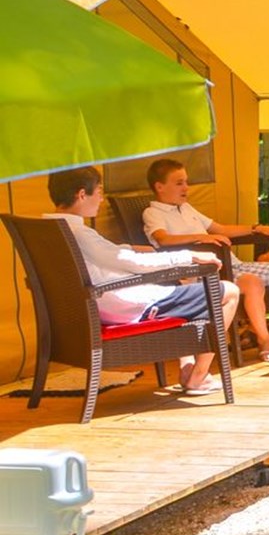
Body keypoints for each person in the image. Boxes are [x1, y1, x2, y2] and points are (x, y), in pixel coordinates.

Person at [41, 166, 241, 396]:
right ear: (82, 194)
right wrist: (188, 256)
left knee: (182, 288)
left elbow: (105, 253)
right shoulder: (80, 233)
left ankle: (187, 366)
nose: (101, 198)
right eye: (99, 191)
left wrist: (130, 248)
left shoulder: (49, 229)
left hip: (95, 308)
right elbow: (133, 263)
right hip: (126, 306)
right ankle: (198, 376)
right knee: (228, 291)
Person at [144, 158, 269, 362]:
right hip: (204, 273)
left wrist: (256, 228)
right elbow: (163, 239)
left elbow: (221, 229)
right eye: (179, 183)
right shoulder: (153, 213)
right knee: (252, 282)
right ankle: (265, 340)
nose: (186, 188)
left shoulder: (186, 208)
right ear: (159, 187)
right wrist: (201, 238)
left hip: (233, 265)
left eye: (186, 182)